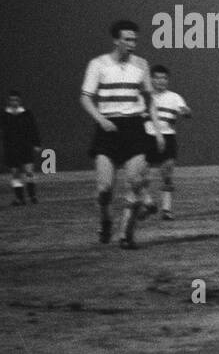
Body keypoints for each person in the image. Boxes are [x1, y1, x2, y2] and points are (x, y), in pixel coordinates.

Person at [80, 19, 166, 248]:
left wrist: (157, 131)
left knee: (136, 183)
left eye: (135, 40)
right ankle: (106, 221)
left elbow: (150, 101)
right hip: (107, 129)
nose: (132, 44)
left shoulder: (141, 65)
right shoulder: (98, 64)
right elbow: (85, 97)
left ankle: (126, 234)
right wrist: (101, 119)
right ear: (116, 40)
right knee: (104, 189)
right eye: (127, 39)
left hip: (133, 127)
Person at [141, 66, 191, 220]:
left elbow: (185, 111)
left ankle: (166, 210)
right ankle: (148, 203)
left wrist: (186, 111)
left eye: (164, 78)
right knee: (141, 175)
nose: (161, 81)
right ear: (151, 79)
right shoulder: (145, 97)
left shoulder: (174, 97)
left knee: (167, 173)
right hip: (148, 137)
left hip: (168, 137)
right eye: (157, 78)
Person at [2, 91, 41, 206]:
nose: (14, 102)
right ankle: (20, 198)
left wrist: (37, 143)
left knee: (29, 172)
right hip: (10, 148)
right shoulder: (4, 114)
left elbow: (33, 129)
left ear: (20, 101)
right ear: (9, 101)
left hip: (25, 146)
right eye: (12, 100)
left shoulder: (27, 114)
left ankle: (32, 196)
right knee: (15, 173)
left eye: (16, 100)